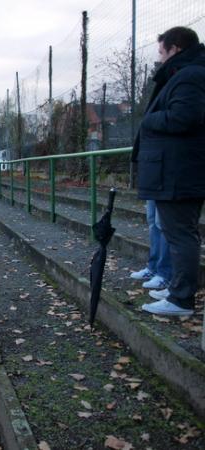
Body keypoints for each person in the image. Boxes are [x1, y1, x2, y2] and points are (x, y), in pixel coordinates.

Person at [132, 26, 205, 316]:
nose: (159, 59)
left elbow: (183, 118)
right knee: (175, 232)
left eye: (161, 52)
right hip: (176, 170)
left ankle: (181, 300)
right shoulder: (186, 74)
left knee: (180, 234)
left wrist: (149, 120)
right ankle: (177, 288)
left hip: (179, 172)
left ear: (175, 49)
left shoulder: (189, 76)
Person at [129, 200, 171, 290]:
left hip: (166, 189)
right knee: (152, 221)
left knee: (162, 223)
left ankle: (164, 274)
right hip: (151, 187)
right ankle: (153, 267)